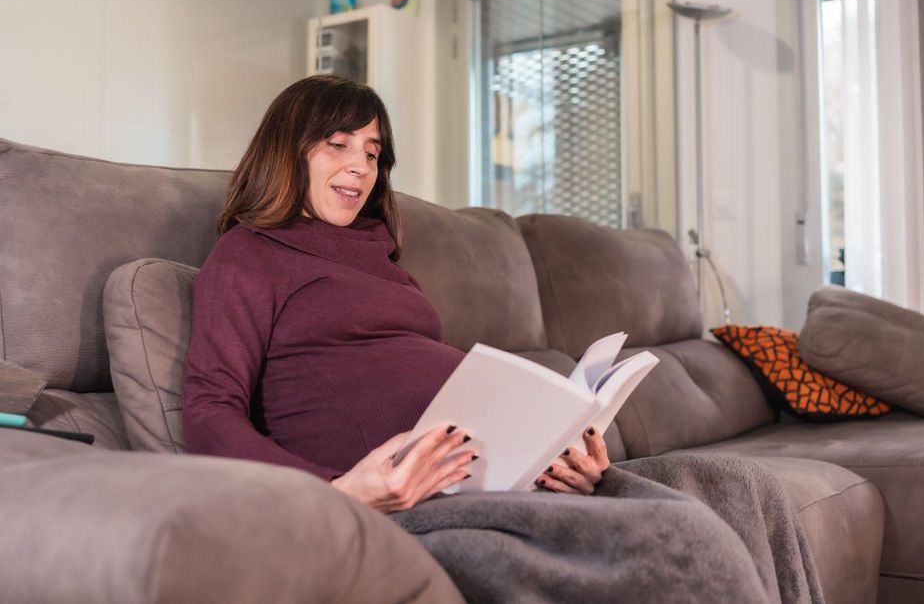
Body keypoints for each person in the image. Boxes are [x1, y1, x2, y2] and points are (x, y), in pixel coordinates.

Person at [182, 74, 610, 512]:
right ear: (287, 149)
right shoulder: (250, 253)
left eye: (373, 153)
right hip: (402, 506)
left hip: (488, 483)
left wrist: (560, 467)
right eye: (338, 144)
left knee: (656, 495)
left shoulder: (384, 262)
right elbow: (208, 412)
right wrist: (339, 492)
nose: (361, 166)